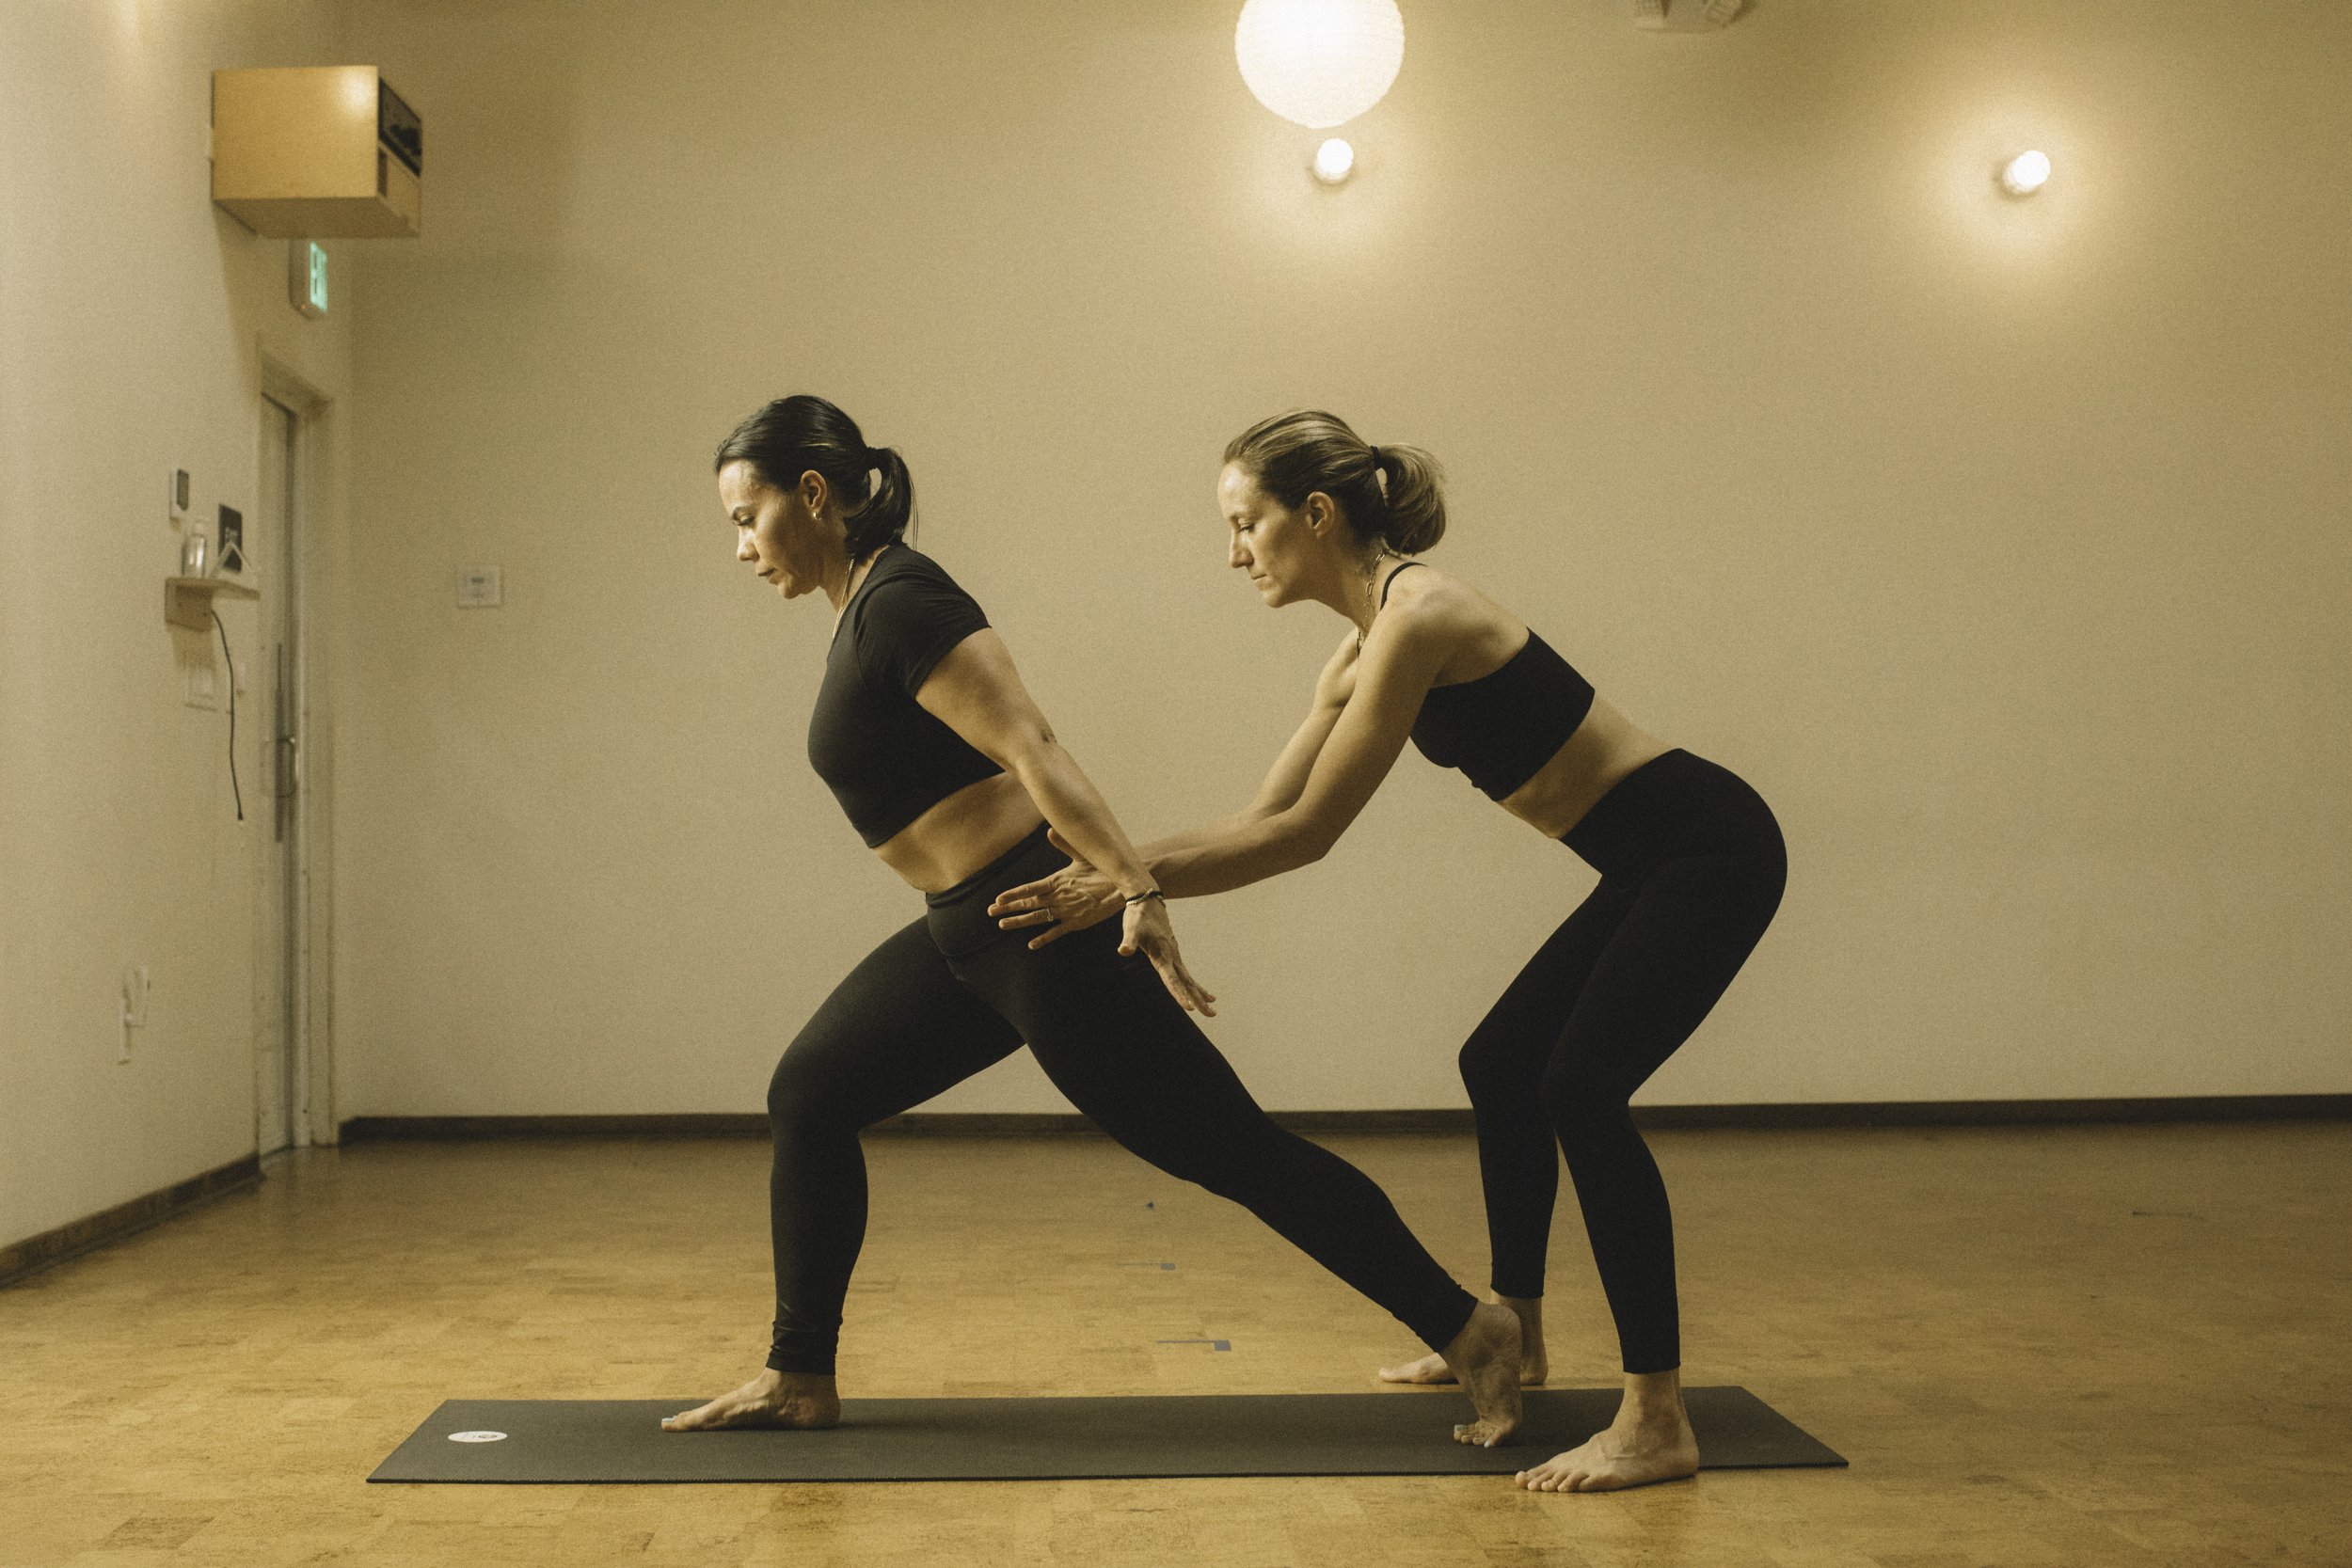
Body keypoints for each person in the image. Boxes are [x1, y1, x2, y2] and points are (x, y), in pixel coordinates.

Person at [662, 395, 1522, 1445]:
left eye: (748, 516)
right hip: (964, 928)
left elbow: (1033, 743)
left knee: (1225, 1147)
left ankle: (1472, 1326)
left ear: (813, 495)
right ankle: (798, 1373)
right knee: (811, 1090)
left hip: (1037, 919)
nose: (743, 545)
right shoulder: (857, 609)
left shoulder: (901, 600)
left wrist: (1132, 885)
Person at [987, 410, 1787, 1492]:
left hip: (1710, 845)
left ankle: (1656, 1415)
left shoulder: (1421, 614)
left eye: (1245, 523)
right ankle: (1521, 1331)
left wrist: (1126, 876)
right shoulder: (1361, 644)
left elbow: (1303, 837)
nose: (1234, 553)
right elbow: (1261, 810)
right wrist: (1125, 869)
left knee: (1580, 1086)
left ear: (1314, 514)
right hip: (1652, 860)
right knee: (1501, 1064)